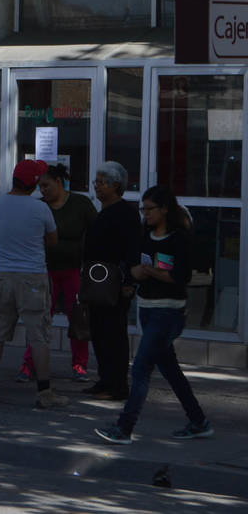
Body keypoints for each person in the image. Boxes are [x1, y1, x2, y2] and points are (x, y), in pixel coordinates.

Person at [95, 186, 213, 444]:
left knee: (140, 368)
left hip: (169, 312)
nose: (145, 214)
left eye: (150, 209)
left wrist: (150, 272)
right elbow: (132, 267)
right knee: (170, 370)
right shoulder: (145, 235)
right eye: (143, 209)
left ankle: (124, 427)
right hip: (147, 309)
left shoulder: (178, 238)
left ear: (165, 209)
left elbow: (180, 277)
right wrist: (137, 273)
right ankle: (198, 421)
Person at [0, 159, 67, 408]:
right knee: (38, 335)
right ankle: (44, 392)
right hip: (33, 277)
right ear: (34, 183)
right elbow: (53, 240)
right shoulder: (40, 208)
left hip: (1, 275)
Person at [16, 164, 96, 383]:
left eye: (46, 186)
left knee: (77, 317)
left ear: (59, 182)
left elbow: (96, 232)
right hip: (44, 271)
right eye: (40, 187)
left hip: (74, 270)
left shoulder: (80, 203)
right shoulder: (40, 206)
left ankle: (80, 364)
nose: (43, 190)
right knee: (41, 319)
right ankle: (29, 364)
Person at [82, 161, 140, 401]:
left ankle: (118, 385)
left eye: (101, 182)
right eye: (95, 182)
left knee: (114, 333)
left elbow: (133, 249)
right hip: (96, 279)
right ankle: (105, 379)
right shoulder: (103, 211)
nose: (96, 186)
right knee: (98, 331)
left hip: (115, 281)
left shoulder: (126, 213)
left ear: (116, 185)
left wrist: (128, 282)